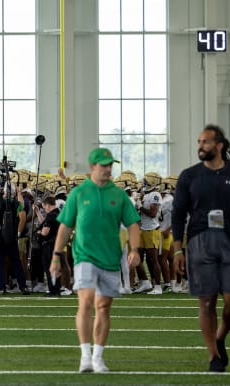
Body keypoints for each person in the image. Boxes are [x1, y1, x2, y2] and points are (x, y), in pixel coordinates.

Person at [172, 124, 230, 372]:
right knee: (207, 301)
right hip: (199, 242)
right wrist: (178, 250)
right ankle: (213, 356)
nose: (200, 146)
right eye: (199, 142)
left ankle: (220, 337)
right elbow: (178, 215)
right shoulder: (189, 176)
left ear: (219, 145)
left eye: (206, 142)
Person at [49, 148, 141, 373]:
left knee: (104, 307)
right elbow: (65, 226)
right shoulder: (78, 194)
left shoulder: (118, 195)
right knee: (87, 301)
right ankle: (85, 356)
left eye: (110, 165)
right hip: (84, 256)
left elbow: (133, 223)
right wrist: (56, 255)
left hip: (110, 258)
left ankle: (98, 357)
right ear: (92, 167)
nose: (108, 169)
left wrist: (135, 249)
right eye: (104, 165)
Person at [33, 196, 60, 297]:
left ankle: (52, 290)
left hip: (49, 245)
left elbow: (45, 231)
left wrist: (39, 232)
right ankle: (56, 289)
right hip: (57, 244)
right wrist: (37, 212)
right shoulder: (58, 213)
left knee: (49, 268)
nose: (44, 209)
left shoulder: (51, 216)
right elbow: (44, 222)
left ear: (48, 206)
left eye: (44, 207)